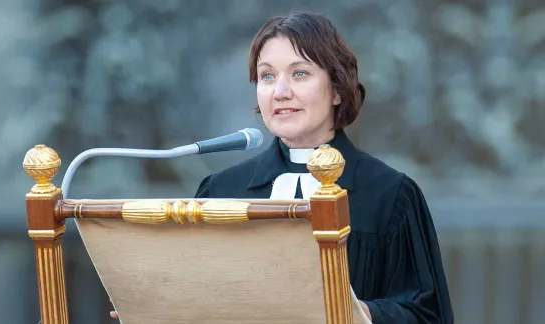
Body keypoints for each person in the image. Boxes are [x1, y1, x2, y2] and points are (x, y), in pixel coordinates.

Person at [112, 11, 453, 323]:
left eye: (300, 73)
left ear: (336, 88)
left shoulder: (390, 195)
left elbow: (428, 315)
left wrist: (359, 312)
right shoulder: (221, 192)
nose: (280, 91)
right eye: (267, 76)